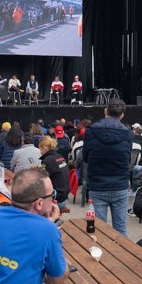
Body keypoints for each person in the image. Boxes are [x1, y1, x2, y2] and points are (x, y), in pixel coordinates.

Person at [0, 167, 68, 284]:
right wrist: (65, 264)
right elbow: (58, 279)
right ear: (39, 203)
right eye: (52, 195)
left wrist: (48, 223)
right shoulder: (47, 231)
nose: (53, 200)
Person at [83, 98, 132, 236]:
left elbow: (86, 157)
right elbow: (127, 159)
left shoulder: (91, 131)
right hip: (120, 186)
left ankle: (99, 256)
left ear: (105, 111)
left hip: (98, 186)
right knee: (121, 230)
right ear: (122, 115)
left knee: (98, 229)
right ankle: (123, 257)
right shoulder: (128, 134)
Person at [38, 135, 71, 213]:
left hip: (56, 199)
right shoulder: (60, 157)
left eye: (40, 149)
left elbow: (41, 179)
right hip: (64, 197)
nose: (40, 152)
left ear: (45, 147)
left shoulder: (46, 160)